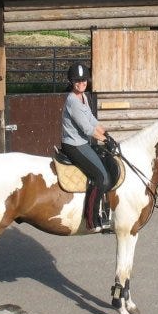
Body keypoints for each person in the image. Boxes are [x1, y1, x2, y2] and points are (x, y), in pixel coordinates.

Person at [61, 63, 111, 231]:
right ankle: (91, 219)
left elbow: (92, 120)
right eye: (77, 80)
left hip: (83, 143)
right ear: (71, 81)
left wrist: (107, 134)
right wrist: (104, 140)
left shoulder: (84, 97)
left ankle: (105, 210)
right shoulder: (72, 101)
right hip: (73, 145)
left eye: (83, 80)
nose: (81, 83)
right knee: (100, 176)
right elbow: (87, 129)